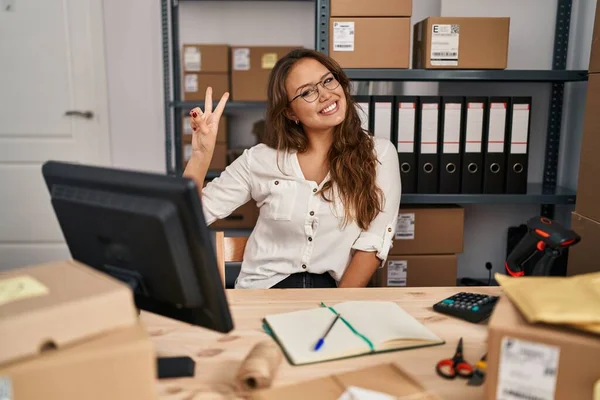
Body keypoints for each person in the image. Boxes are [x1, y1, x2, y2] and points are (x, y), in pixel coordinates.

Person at [183, 48, 401, 289]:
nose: (325, 94)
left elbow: (373, 242)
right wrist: (200, 155)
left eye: (328, 80)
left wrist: (338, 307)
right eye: (307, 92)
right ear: (289, 112)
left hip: (333, 295)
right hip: (261, 294)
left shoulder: (379, 154)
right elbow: (188, 217)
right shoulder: (260, 159)